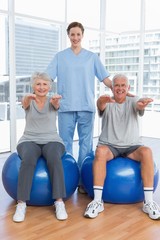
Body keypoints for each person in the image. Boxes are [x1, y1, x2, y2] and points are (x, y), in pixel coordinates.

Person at [45, 21, 112, 192]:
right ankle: (69, 179)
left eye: (78, 34)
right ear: (68, 35)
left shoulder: (92, 57)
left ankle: (82, 181)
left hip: (86, 107)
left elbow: (105, 79)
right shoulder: (60, 57)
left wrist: (120, 89)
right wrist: (36, 90)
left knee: (85, 145)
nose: (75, 37)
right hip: (66, 106)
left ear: (82, 35)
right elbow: (47, 79)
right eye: (72, 34)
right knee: (65, 144)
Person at [84, 73, 160, 220]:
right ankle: (97, 201)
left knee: (147, 152)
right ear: (112, 88)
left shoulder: (134, 100)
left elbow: (138, 104)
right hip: (109, 145)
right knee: (99, 152)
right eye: (116, 85)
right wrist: (101, 100)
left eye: (123, 85)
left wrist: (142, 103)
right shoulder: (106, 101)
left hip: (132, 146)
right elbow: (101, 105)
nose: (120, 88)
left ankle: (149, 202)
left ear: (128, 87)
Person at [13, 72, 68, 222]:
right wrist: (27, 98)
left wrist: (56, 101)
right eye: (38, 84)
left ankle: (59, 202)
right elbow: (24, 103)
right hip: (29, 140)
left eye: (45, 84)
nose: (41, 87)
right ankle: (21, 204)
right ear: (33, 86)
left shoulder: (52, 100)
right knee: (29, 160)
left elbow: (56, 105)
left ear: (49, 86)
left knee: (54, 158)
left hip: (52, 140)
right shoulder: (28, 100)